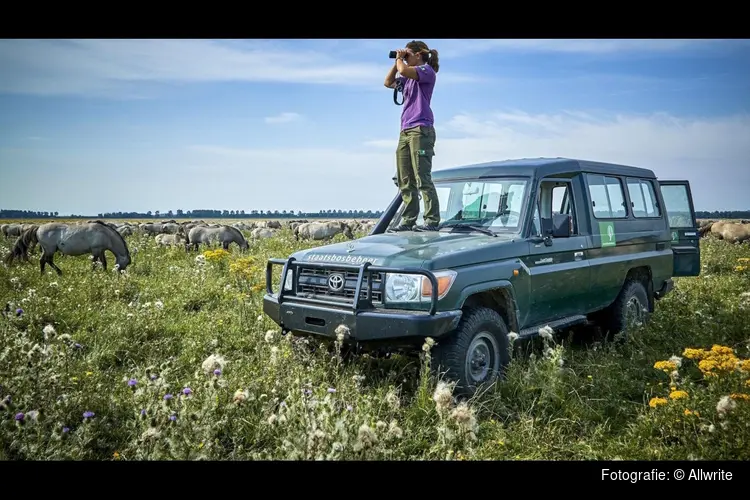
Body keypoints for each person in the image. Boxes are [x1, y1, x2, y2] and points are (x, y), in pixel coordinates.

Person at [384, 40, 441, 231]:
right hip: (405, 130)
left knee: (421, 176)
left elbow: (404, 71)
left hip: (421, 128)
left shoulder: (426, 71)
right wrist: (397, 62)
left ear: (418, 55)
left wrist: (401, 59)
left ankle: (431, 220)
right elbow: (388, 82)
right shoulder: (407, 77)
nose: (405, 59)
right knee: (404, 178)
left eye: (409, 55)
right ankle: (408, 220)